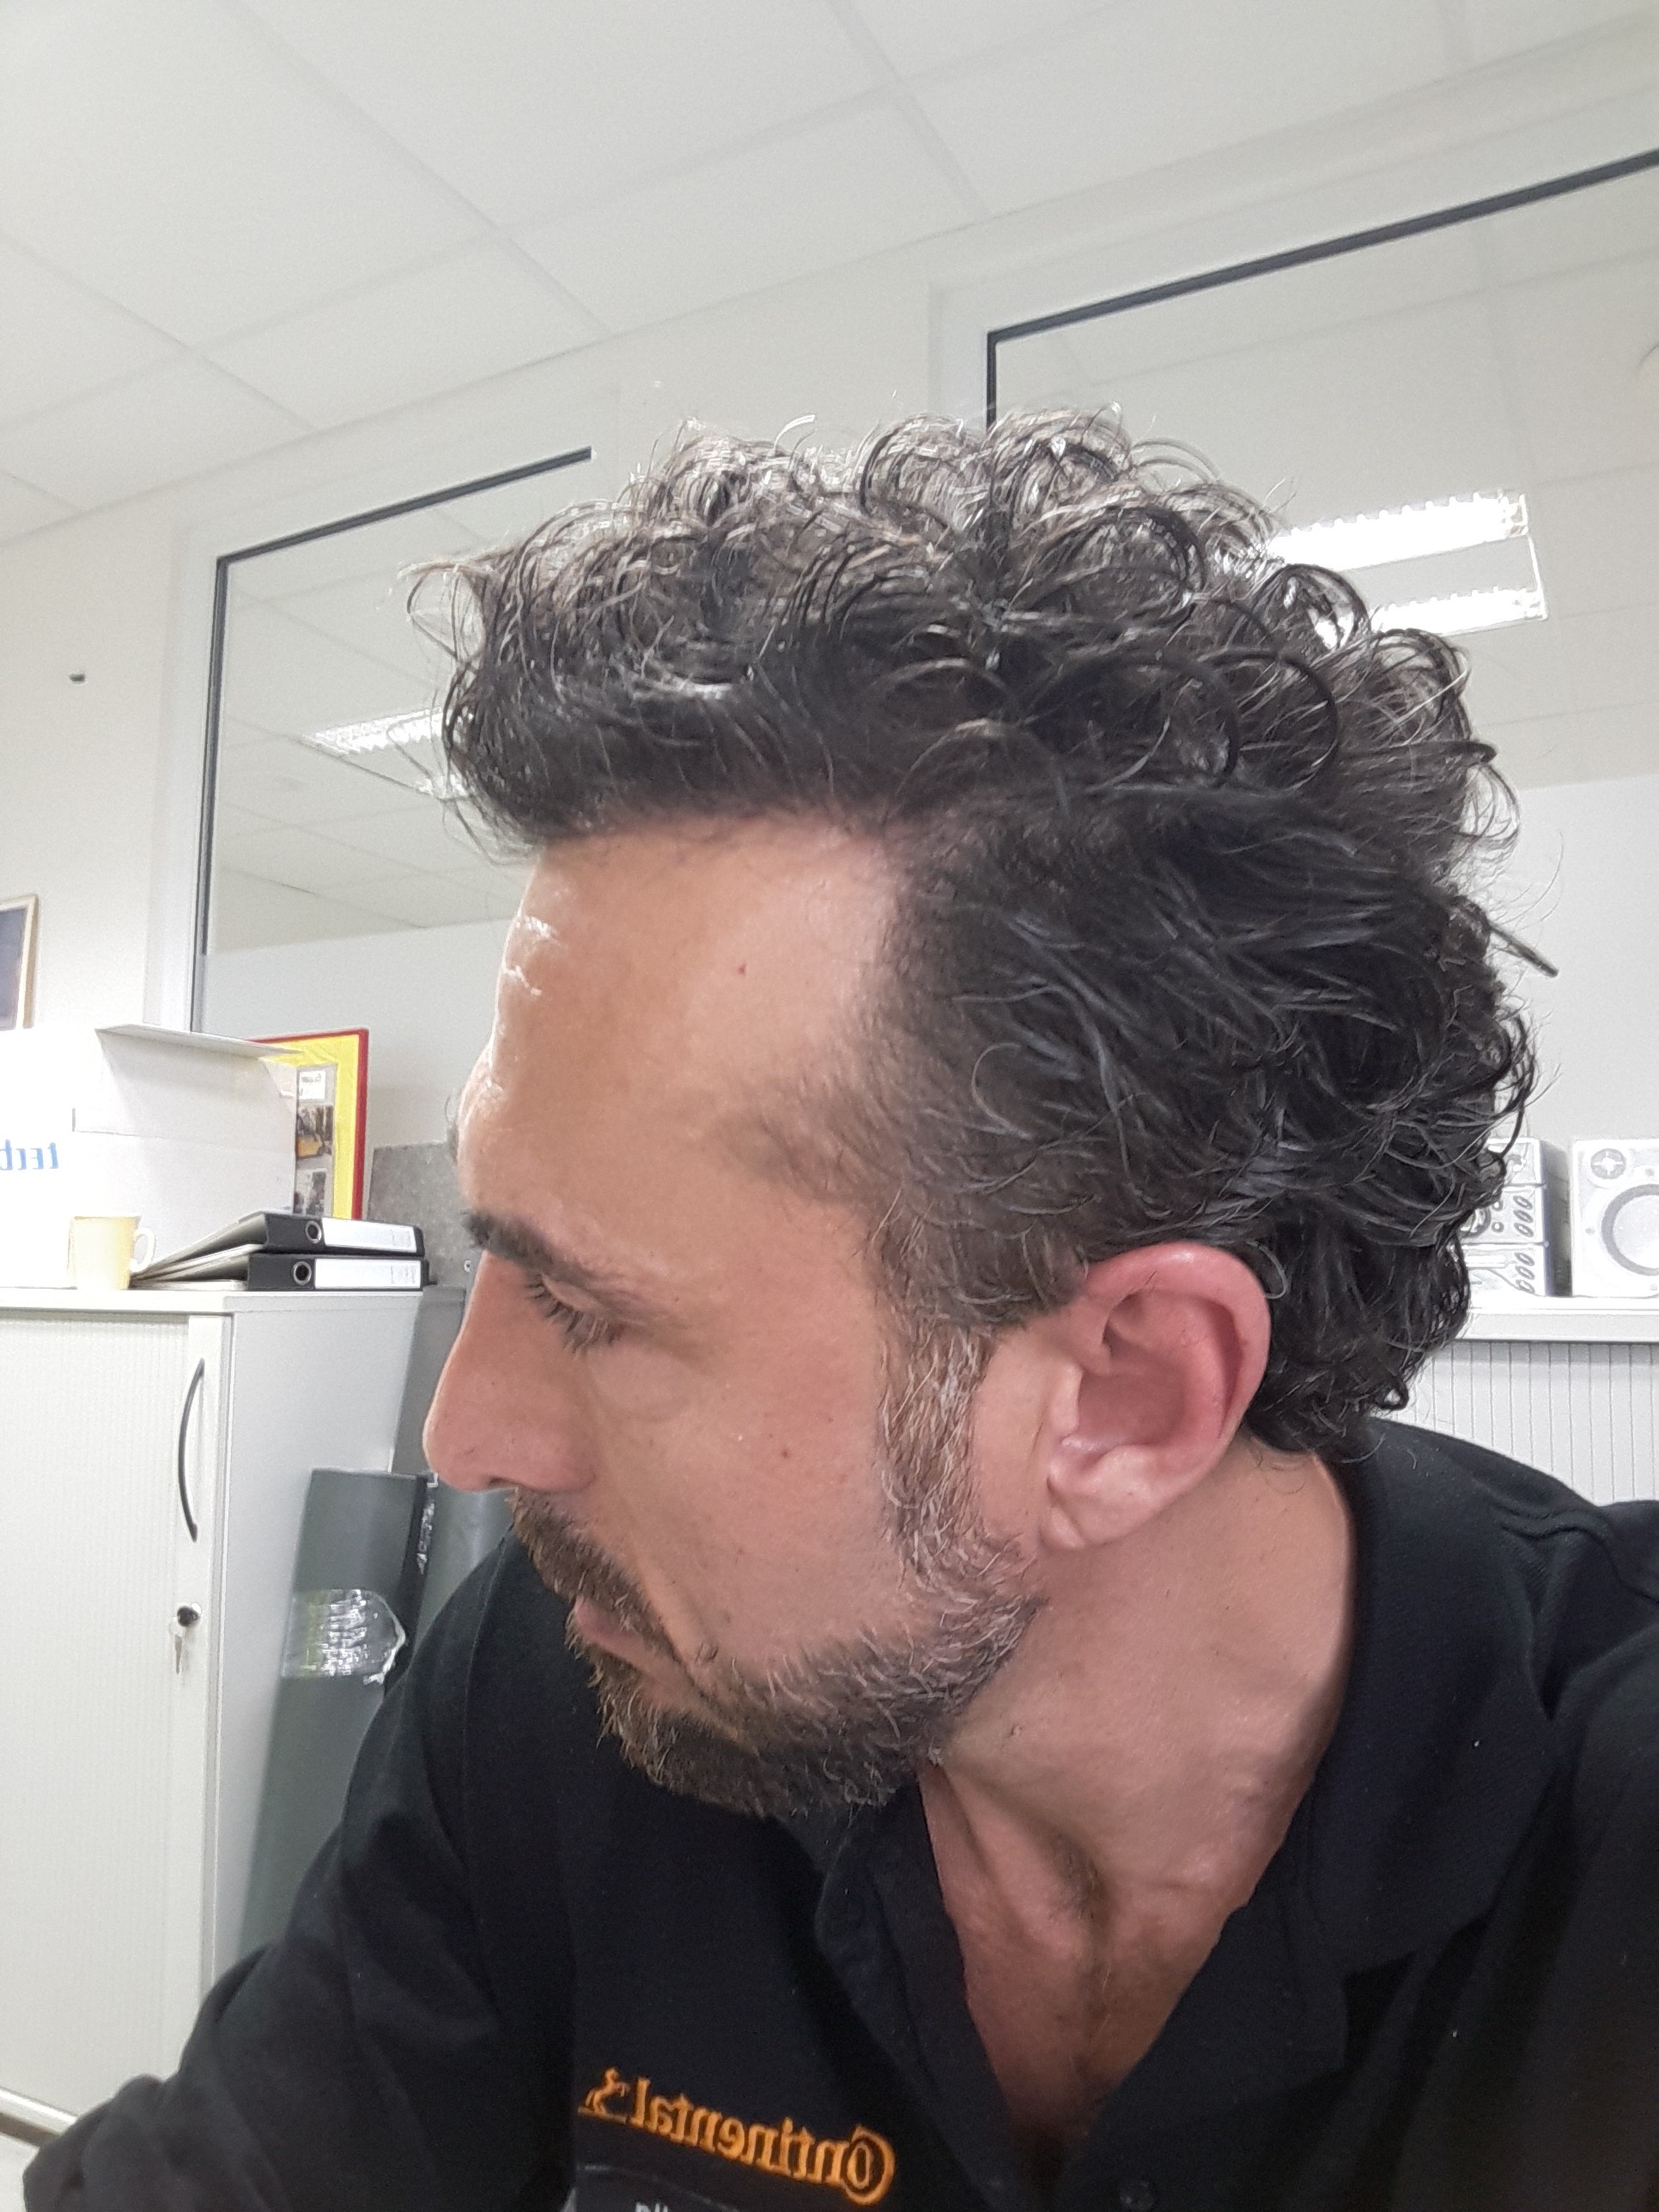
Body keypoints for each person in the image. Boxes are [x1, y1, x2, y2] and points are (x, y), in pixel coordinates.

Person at [28, 416, 1659, 2212]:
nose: (464, 1438)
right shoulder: (582, 1680)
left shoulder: (1611, 1849)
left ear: (1123, 1398)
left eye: (594, 1309)